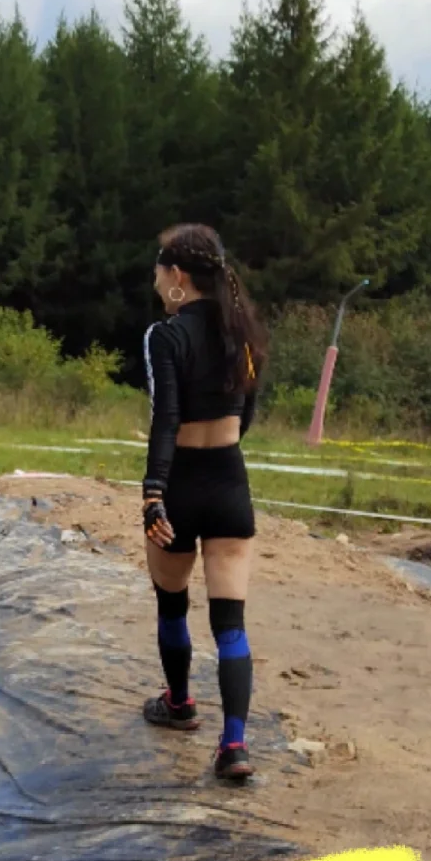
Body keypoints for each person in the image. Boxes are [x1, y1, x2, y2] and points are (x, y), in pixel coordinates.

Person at [141, 223, 268, 781]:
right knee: (230, 622)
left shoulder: (165, 336)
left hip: (181, 482)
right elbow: (249, 411)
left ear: (177, 276)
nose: (155, 281)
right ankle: (234, 746)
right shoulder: (244, 334)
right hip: (229, 480)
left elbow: (165, 419)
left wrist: (153, 493)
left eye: (158, 272)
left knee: (172, 602)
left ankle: (179, 703)